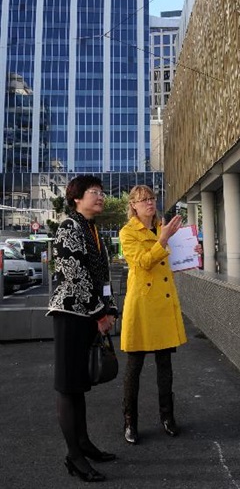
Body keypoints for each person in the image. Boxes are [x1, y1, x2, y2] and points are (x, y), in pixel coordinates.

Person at [48, 175, 118, 483]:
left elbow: (102, 275)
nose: (100, 197)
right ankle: (73, 457)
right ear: (76, 197)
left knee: (80, 385)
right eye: (94, 192)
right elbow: (73, 273)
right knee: (68, 386)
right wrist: (99, 313)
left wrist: (110, 308)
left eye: (102, 193)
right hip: (70, 315)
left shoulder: (93, 230)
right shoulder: (69, 227)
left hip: (89, 315)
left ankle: (85, 444)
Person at [119, 185, 201, 444]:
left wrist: (192, 255)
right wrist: (163, 239)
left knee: (165, 366)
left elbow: (170, 264)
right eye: (143, 200)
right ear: (133, 205)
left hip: (163, 304)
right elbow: (142, 263)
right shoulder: (127, 232)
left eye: (152, 198)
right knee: (135, 367)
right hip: (142, 305)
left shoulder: (164, 227)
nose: (149, 203)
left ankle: (168, 417)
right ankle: (130, 422)